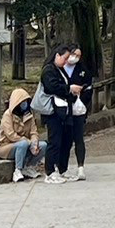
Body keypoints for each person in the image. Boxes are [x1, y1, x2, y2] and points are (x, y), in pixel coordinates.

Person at [39, 46, 78, 184]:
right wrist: (69, 89)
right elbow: (53, 87)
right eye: (65, 58)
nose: (66, 61)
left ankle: (63, 169)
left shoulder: (61, 70)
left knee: (66, 140)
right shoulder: (48, 70)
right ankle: (50, 171)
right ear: (57, 55)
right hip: (53, 111)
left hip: (65, 110)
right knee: (54, 141)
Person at [0, 88, 46, 181]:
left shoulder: (29, 115)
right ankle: (18, 170)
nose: (24, 104)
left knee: (43, 145)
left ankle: (29, 166)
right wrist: (28, 142)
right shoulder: (8, 115)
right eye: (22, 102)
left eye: (26, 102)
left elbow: (33, 132)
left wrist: (34, 143)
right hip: (6, 146)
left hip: (26, 144)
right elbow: (11, 135)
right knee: (23, 144)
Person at [64, 45, 93, 181]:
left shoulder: (83, 71)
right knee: (64, 139)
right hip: (63, 108)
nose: (75, 57)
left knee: (79, 138)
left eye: (78, 55)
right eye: (74, 54)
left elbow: (89, 88)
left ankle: (80, 166)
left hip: (78, 108)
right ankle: (61, 166)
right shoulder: (59, 68)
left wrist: (80, 98)